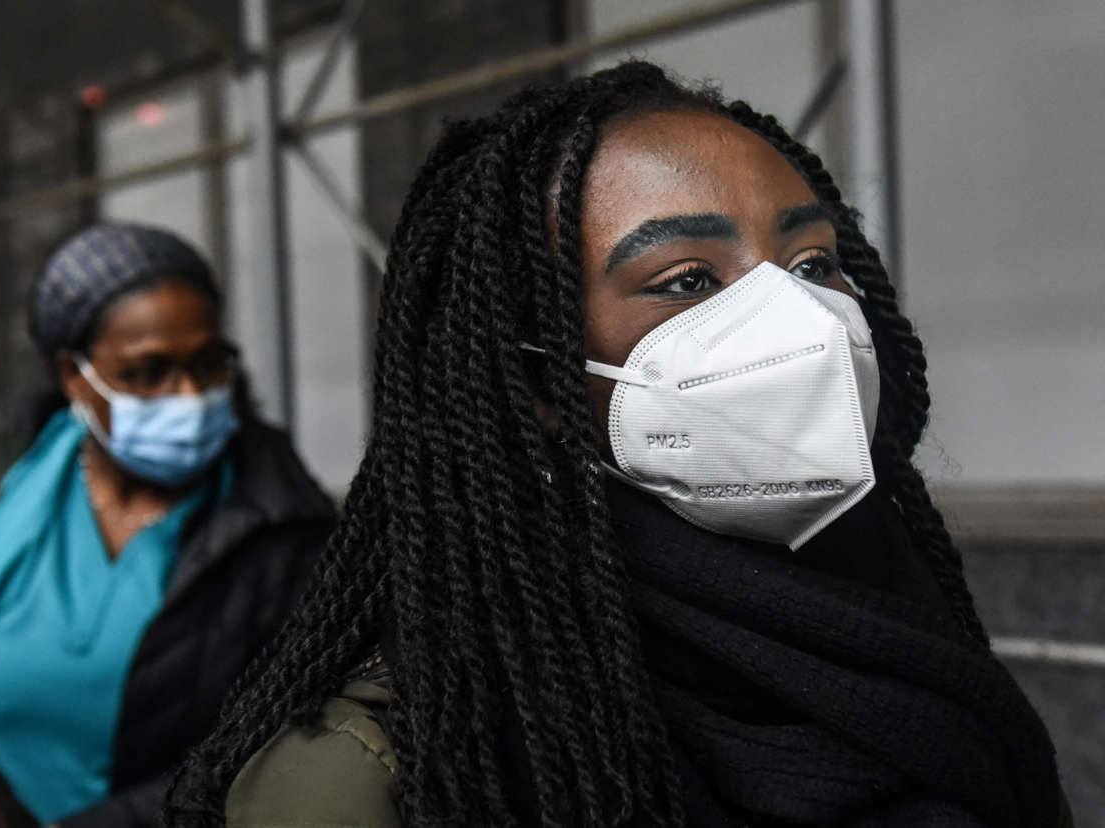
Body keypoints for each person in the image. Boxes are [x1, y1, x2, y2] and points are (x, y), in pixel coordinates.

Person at [166, 62, 1068, 827]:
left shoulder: (907, 617)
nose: (802, 320)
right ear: (537, 375)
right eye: (684, 279)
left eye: (812, 265)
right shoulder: (397, 768)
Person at [0, 223, 337, 828]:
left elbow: (273, 749)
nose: (188, 395)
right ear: (74, 376)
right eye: (147, 371)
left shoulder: (284, 535)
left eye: (208, 363)